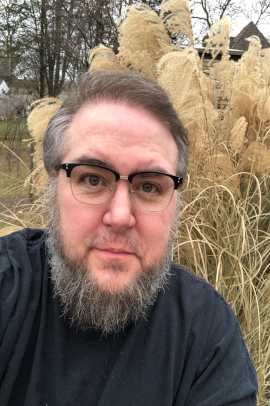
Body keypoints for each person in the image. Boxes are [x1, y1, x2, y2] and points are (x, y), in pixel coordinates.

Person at [0, 70, 257, 406]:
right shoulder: (8, 287)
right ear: (54, 183)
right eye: (92, 179)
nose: (120, 216)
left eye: (149, 186)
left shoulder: (206, 333)